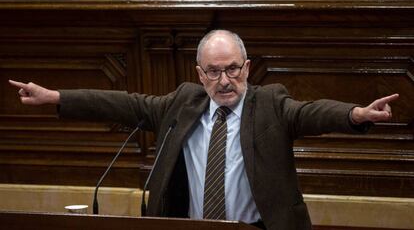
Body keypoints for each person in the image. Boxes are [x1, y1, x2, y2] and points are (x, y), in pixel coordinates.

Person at [9, 30, 398, 230]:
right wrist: (57, 97)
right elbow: (123, 104)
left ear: (246, 68)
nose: (224, 80)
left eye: (232, 69)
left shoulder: (270, 105)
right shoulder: (183, 103)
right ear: (200, 74)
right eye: (213, 71)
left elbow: (311, 113)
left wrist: (355, 114)